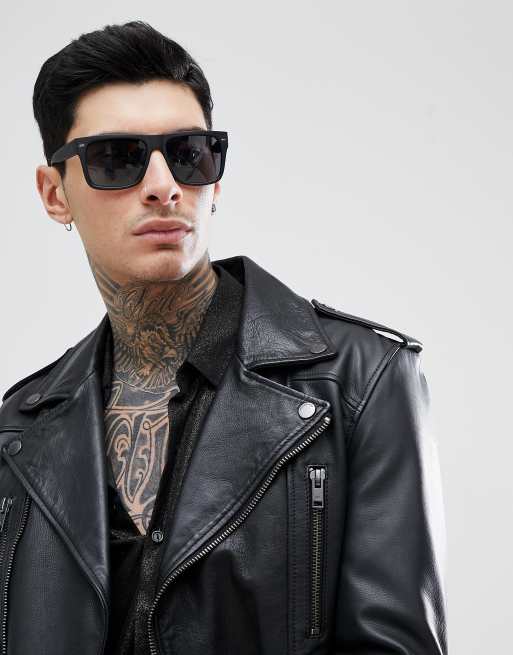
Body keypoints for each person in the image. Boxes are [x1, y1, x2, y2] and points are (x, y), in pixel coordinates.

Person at [0, 20, 448, 655]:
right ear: (55, 195)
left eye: (189, 153)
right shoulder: (20, 427)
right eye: (116, 159)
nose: (164, 186)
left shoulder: (361, 381)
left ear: (216, 179)